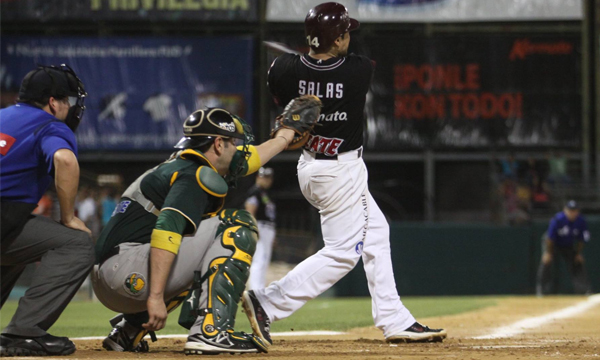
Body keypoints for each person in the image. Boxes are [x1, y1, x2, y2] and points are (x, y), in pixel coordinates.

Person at [241, 2, 446, 347]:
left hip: (309, 165)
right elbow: (346, 67)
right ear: (334, 40)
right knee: (343, 253)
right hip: (340, 171)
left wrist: (305, 68)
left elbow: (282, 93)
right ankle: (268, 303)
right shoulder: (357, 71)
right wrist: (316, 67)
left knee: (377, 234)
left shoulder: (284, 68)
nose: (349, 36)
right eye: (344, 33)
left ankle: (394, 318)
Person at [92, 103, 313, 355]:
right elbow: (166, 230)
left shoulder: (180, 165)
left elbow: (250, 159)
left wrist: (284, 136)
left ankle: (129, 330)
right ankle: (211, 331)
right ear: (218, 144)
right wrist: (154, 297)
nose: (239, 149)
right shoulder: (195, 174)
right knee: (235, 224)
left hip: (112, 274)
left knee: (204, 257)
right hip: (127, 273)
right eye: (233, 142)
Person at [0, 64, 93, 356]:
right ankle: (23, 334)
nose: (70, 106)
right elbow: (65, 160)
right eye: (66, 100)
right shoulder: (49, 124)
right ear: (53, 102)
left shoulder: (2, 117)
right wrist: (67, 217)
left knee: (17, 244)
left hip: (6, 221)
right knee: (77, 244)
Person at [536, 200, 591, 295]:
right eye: (570, 210)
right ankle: (542, 289)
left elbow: (581, 240)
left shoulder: (581, 221)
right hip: (552, 244)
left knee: (577, 262)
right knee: (546, 262)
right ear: (565, 210)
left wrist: (578, 253)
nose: (572, 213)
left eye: (574, 210)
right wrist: (548, 253)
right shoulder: (558, 219)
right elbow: (550, 239)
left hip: (567, 244)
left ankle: (583, 290)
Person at [245, 167, 277, 290]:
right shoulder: (255, 192)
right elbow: (250, 210)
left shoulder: (265, 193)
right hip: (260, 227)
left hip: (268, 228)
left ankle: (259, 289)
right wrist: (253, 228)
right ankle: (255, 290)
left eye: (269, 177)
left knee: (264, 261)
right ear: (258, 177)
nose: (267, 180)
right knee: (259, 260)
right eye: (264, 177)